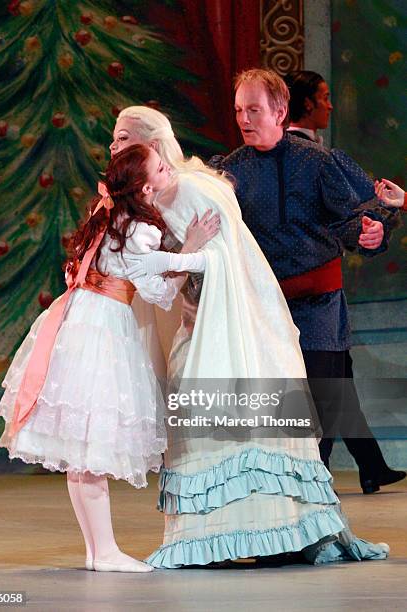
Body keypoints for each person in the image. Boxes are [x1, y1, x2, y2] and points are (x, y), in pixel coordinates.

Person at [110, 106, 390, 568]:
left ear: (152, 143)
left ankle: (272, 533)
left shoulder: (189, 189)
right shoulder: (150, 200)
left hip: (232, 323)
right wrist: (184, 256)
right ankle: (217, 540)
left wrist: (187, 257)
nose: (114, 147)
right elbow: (163, 278)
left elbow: (224, 261)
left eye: (122, 138)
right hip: (198, 321)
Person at [0, 144, 220, 573]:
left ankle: (97, 550)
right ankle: (106, 552)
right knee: (92, 446)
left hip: (76, 322)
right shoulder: (139, 229)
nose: (167, 168)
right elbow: (156, 291)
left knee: (81, 452)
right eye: (159, 166)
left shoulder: (106, 216)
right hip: (101, 330)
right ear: (146, 185)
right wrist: (191, 252)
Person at [211, 68, 404, 495]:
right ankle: (281, 501)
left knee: (319, 405)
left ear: (280, 111)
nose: (244, 118)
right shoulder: (228, 173)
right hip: (263, 310)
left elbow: (353, 219)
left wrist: (370, 235)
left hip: (318, 306)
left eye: (254, 110)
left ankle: (310, 503)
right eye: (239, 110)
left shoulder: (318, 163)